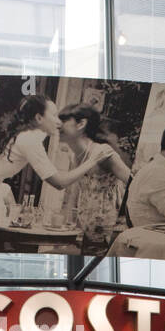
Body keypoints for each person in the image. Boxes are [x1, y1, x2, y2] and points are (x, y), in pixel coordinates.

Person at [0, 95, 114, 214]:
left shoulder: (22, 133)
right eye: (54, 115)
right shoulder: (30, 138)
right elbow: (59, 183)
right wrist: (93, 160)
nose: (59, 122)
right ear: (39, 118)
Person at [58, 103, 132, 255]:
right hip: (87, 232)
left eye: (64, 120)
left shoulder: (103, 153)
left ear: (81, 124)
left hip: (109, 234)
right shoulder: (74, 155)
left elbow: (135, 184)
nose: (58, 124)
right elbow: (74, 191)